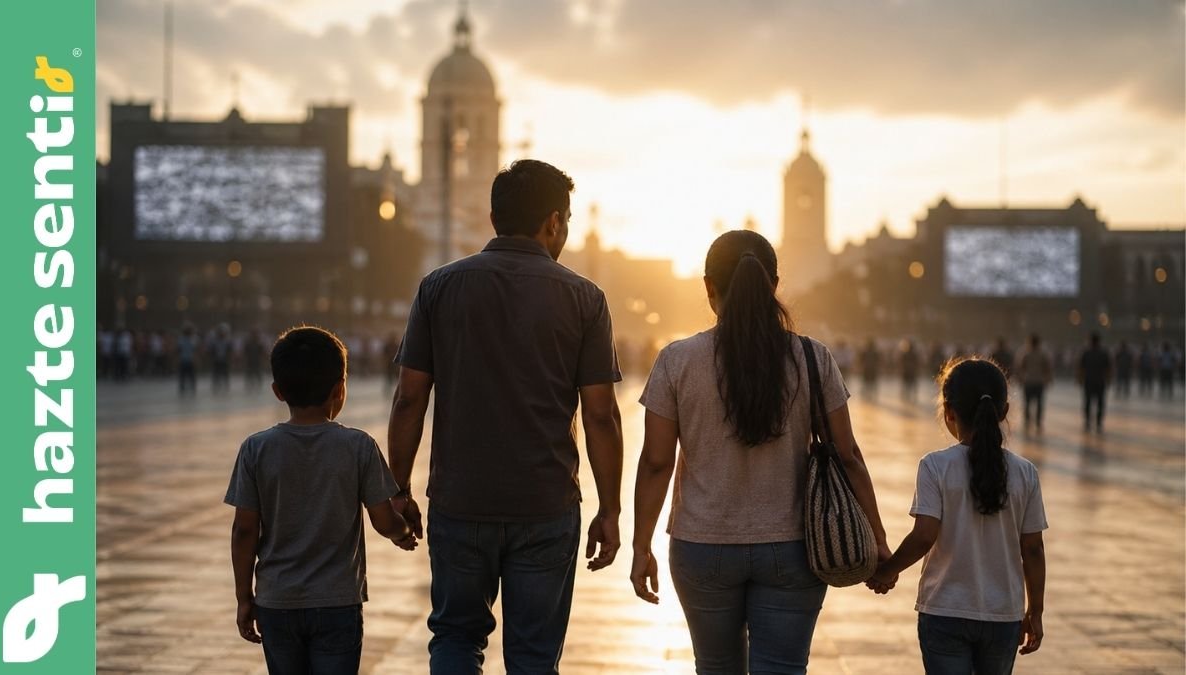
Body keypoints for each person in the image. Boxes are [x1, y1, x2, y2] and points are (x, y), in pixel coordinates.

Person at [387, 159, 624, 674]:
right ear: (554, 223)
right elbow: (601, 415)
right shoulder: (585, 298)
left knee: (454, 638)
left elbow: (409, 400)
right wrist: (610, 509)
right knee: (534, 656)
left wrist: (398, 490)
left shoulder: (439, 288)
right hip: (545, 502)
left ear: (494, 219)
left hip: (460, 500)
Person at [629, 230, 891, 674]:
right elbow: (848, 455)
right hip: (793, 548)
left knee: (715, 667)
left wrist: (641, 545)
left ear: (709, 288)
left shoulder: (677, 360)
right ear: (774, 285)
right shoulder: (812, 357)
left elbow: (656, 462)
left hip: (702, 545)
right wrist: (879, 541)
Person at [224, 326, 416, 674]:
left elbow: (243, 531)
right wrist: (403, 533)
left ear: (277, 391)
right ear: (340, 389)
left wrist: (243, 597)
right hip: (337, 603)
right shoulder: (358, 446)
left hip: (277, 601)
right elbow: (383, 519)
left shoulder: (256, 449)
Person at [867, 357, 1047, 675]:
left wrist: (886, 570)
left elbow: (924, 535)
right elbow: (1032, 549)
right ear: (1003, 412)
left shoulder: (935, 466)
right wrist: (1036, 610)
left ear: (949, 411)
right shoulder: (1025, 473)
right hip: (1002, 614)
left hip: (945, 610)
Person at [1014, 334, 1053, 432]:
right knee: (1039, 403)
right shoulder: (1043, 354)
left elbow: (1020, 367)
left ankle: (1027, 421)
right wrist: (1048, 379)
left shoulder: (1025, 354)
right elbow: (1047, 368)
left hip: (1028, 381)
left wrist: (1020, 379)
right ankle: (1038, 422)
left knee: (1027, 403)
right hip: (1039, 382)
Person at [1077, 332, 1112, 432]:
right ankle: (1099, 422)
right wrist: (1108, 379)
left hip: (1088, 381)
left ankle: (1088, 421)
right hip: (1100, 381)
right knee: (1100, 402)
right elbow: (1108, 368)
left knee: (1088, 402)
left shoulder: (1086, 353)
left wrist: (1080, 379)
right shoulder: (1104, 353)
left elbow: (1081, 367)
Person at [178, 324, 198, 395]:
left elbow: (194, 350)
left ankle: (191, 390)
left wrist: (195, 359)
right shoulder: (182, 339)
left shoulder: (192, 339)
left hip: (189, 360)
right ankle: (184, 390)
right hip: (185, 360)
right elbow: (179, 350)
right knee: (184, 377)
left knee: (190, 377)